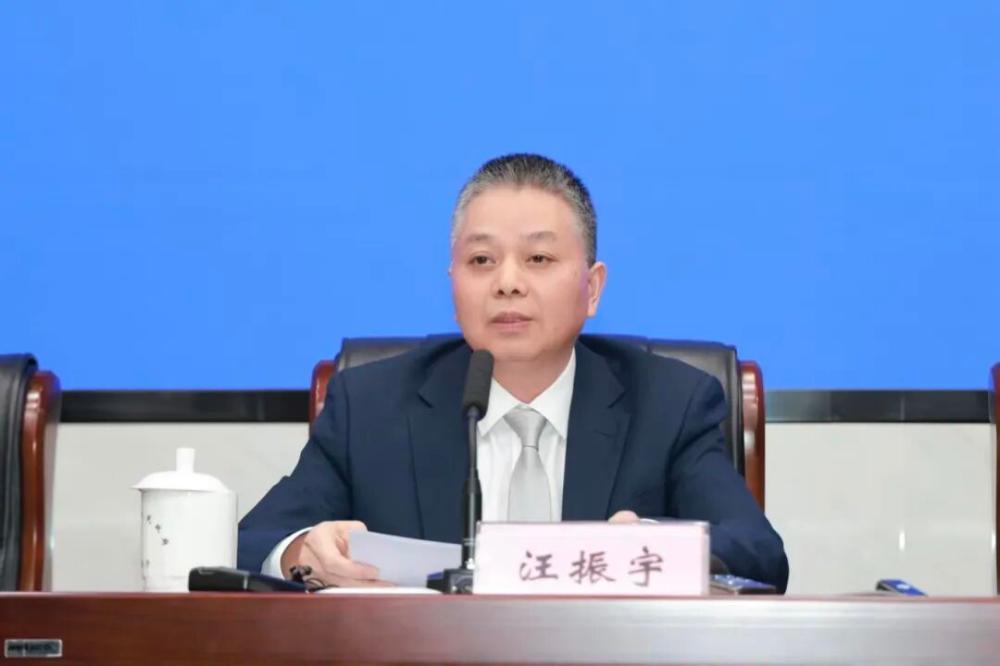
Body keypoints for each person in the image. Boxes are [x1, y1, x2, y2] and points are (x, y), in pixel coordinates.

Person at [238, 153, 789, 591]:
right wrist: (302, 552)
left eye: (538, 259)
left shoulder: (671, 404)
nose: (507, 283)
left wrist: (647, 546)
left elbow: (759, 554)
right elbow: (248, 542)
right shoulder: (371, 405)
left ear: (592, 288)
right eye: (481, 260)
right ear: (453, 282)